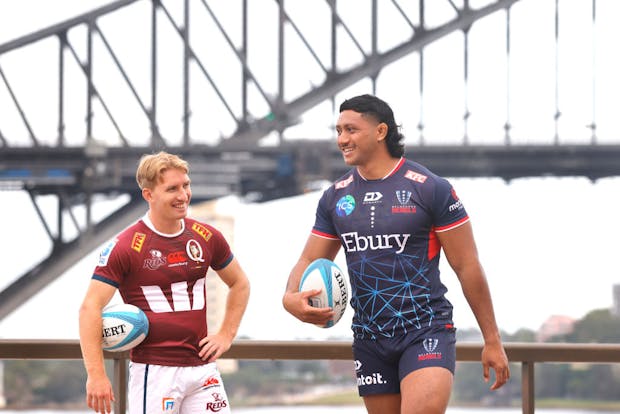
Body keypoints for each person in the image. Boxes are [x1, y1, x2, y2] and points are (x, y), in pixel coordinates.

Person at [282, 94, 510, 413]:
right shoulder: (335, 197)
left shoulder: (431, 188)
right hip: (369, 337)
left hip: (425, 329)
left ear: (380, 131)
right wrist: (290, 296)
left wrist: (492, 339)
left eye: (351, 129)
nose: (342, 139)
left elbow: (467, 265)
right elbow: (309, 260)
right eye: (338, 131)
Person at [79, 151, 250, 414]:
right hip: (155, 373)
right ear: (149, 194)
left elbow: (240, 284)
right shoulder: (125, 246)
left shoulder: (206, 236)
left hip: (203, 369)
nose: (183, 196)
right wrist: (97, 375)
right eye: (172, 189)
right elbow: (90, 308)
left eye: (186, 185)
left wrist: (226, 335)